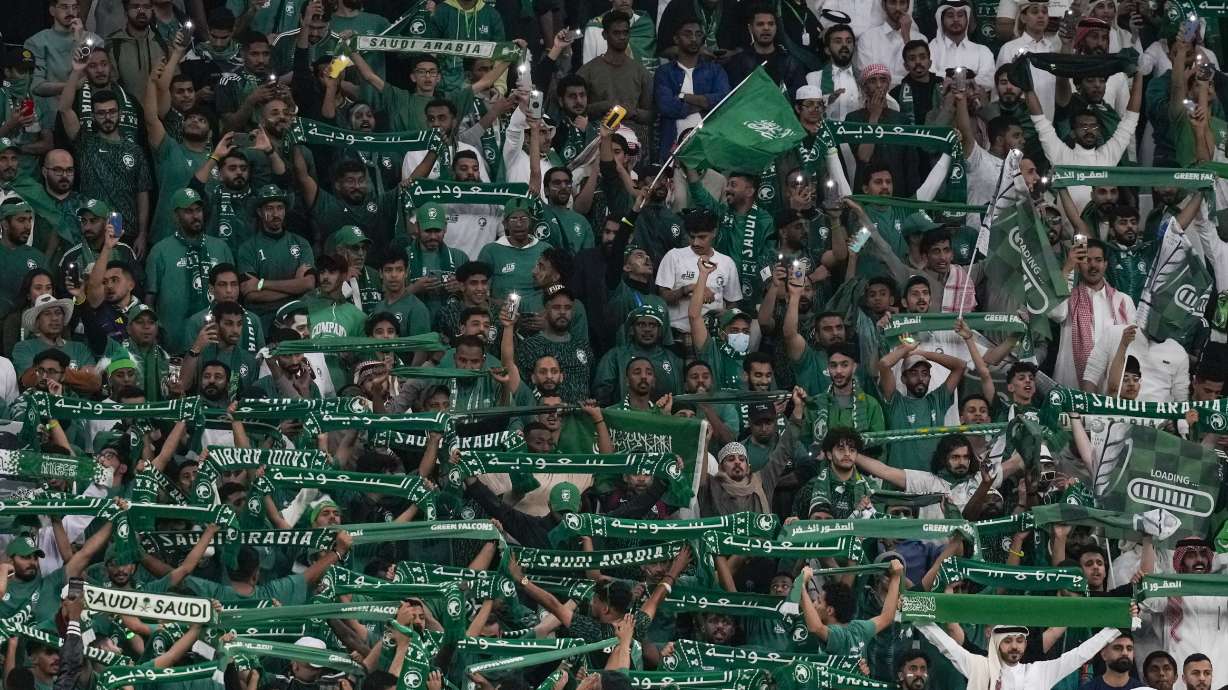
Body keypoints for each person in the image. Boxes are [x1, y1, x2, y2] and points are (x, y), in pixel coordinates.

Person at [919, 622, 1129, 690]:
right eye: (1008, 641)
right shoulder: (979, 666)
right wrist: (918, 619)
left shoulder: (1040, 672)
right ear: (996, 644)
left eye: (1019, 641)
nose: (1014, 647)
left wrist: (1115, 627)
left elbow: (1080, 654)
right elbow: (947, 646)